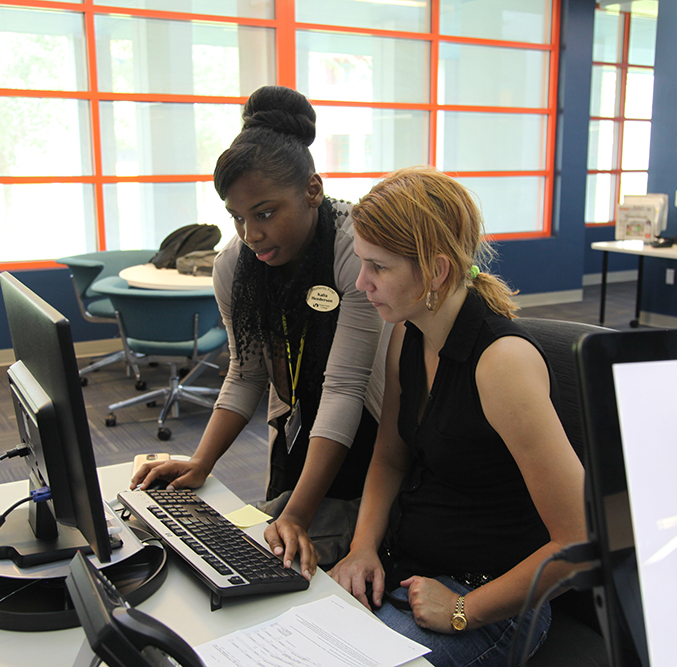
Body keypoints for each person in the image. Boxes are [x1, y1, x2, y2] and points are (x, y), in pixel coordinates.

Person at [329, 166, 587, 666]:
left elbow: (579, 541)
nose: (362, 284)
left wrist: (464, 611)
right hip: (407, 565)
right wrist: (362, 547)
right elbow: (389, 457)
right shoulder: (407, 331)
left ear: (436, 271)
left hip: (491, 598)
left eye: (377, 267)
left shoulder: (502, 364)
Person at [131, 86, 386, 581]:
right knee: (275, 545)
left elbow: (346, 385)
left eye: (266, 213)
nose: (252, 234)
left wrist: (299, 512)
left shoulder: (356, 247)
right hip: (296, 427)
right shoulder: (234, 265)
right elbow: (245, 374)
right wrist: (200, 463)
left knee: (332, 544)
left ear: (312, 190)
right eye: (238, 217)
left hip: (370, 427)